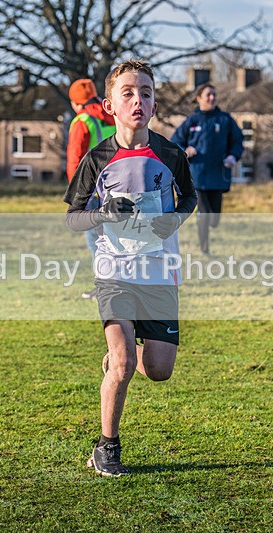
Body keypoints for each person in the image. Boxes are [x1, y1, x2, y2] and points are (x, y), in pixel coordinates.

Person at [64, 59, 197, 477]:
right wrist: (102, 214)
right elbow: (73, 218)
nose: (138, 100)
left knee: (158, 370)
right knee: (123, 366)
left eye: (146, 93)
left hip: (159, 272)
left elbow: (190, 199)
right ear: (110, 106)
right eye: (128, 93)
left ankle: (119, 356)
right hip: (114, 271)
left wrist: (173, 220)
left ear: (155, 105)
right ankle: (107, 446)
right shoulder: (97, 158)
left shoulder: (171, 154)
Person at [170, 83, 244, 255]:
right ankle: (205, 249)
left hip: (218, 176)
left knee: (214, 219)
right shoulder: (192, 120)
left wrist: (233, 156)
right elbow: (175, 142)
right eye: (208, 94)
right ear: (198, 98)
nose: (212, 98)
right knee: (204, 213)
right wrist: (185, 151)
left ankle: (205, 224)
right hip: (197, 176)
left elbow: (238, 142)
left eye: (214, 95)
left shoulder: (225, 119)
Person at [67, 79, 117, 299]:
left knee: (95, 240)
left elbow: (75, 159)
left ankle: (105, 287)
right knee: (115, 238)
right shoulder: (114, 114)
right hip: (116, 186)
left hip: (92, 189)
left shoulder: (82, 121)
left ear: (76, 103)